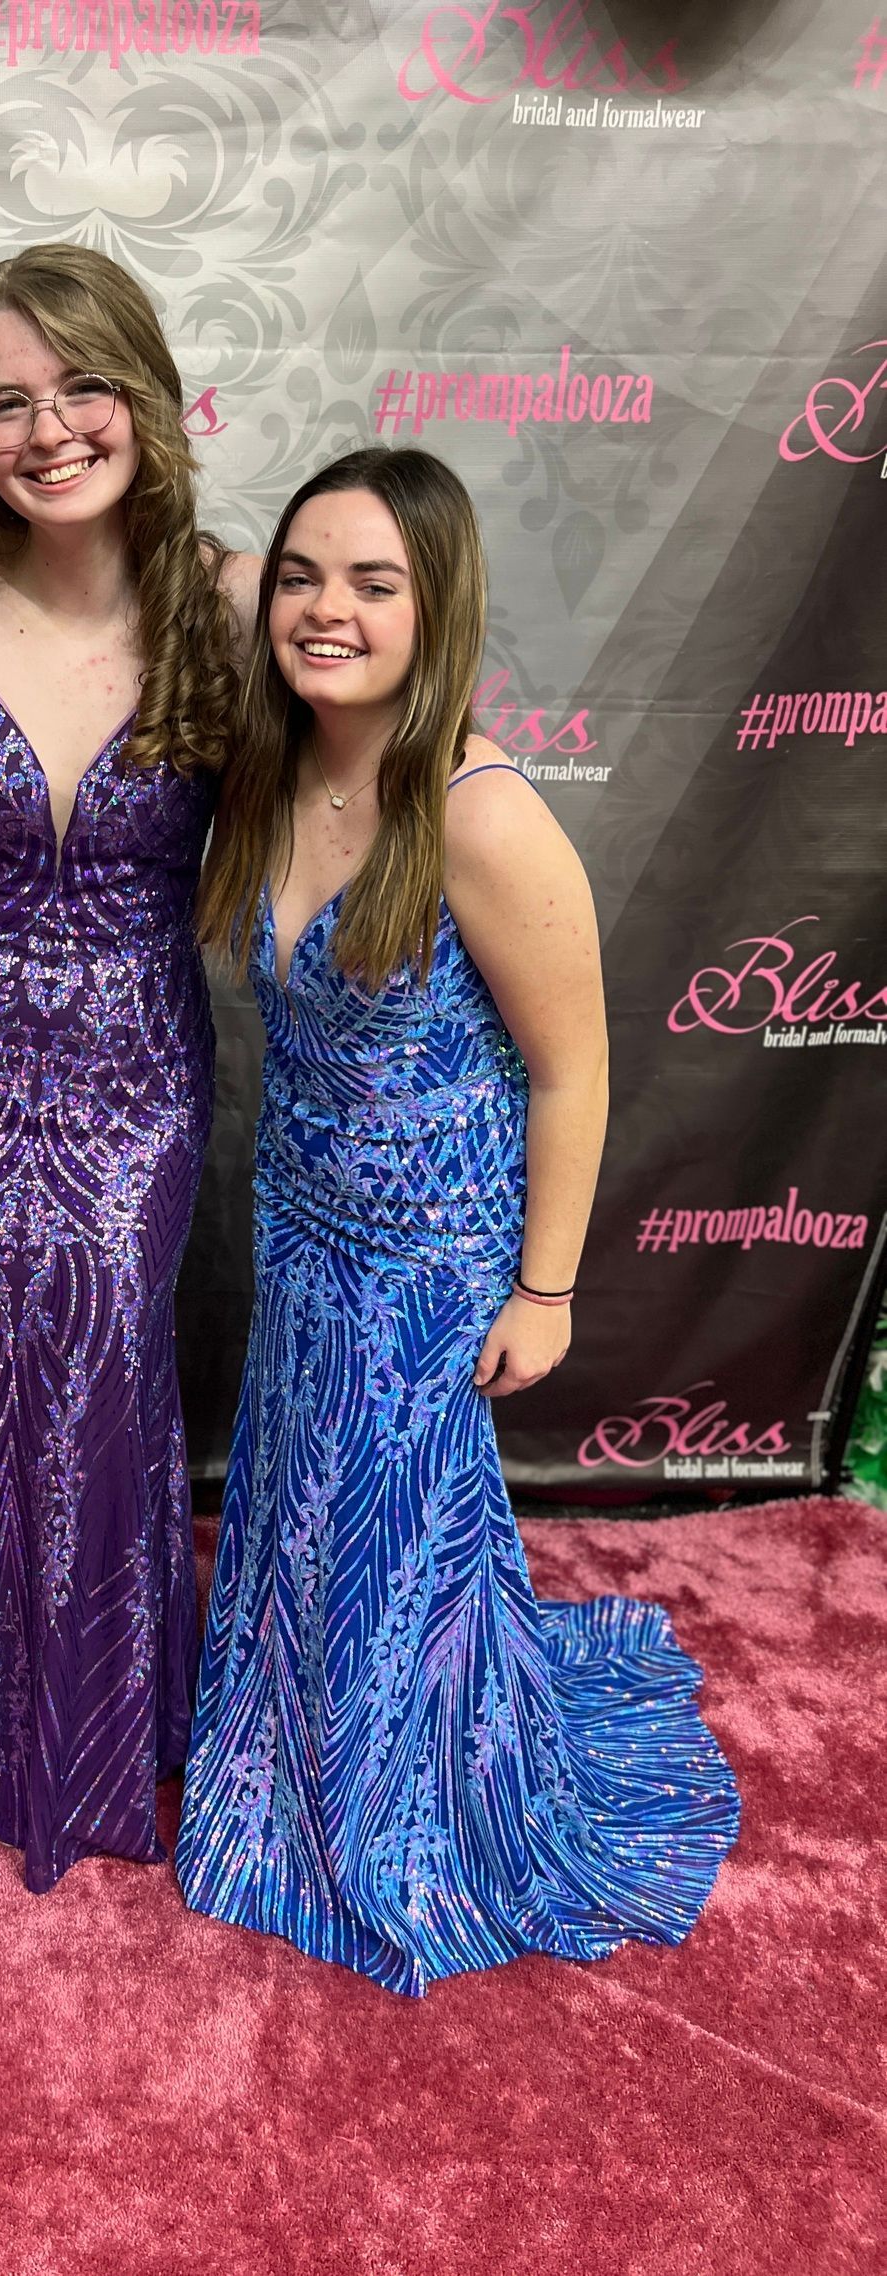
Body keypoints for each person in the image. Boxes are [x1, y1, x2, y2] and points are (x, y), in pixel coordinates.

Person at [175, 447, 739, 1991]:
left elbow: (573, 1069)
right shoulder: (280, 771)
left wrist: (543, 1294)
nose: (325, 609)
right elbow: (206, 568)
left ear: (442, 611)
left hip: (433, 1260)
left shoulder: (480, 816)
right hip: (301, 1223)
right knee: (304, 1519)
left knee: (399, 1549)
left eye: (375, 584)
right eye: (304, 577)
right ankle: (287, 1762)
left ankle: (413, 1810)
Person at [0, 243, 255, 1893]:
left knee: (100, 1349)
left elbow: (368, 778)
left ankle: (97, 1730)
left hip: (139, 1060)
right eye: (7, 400)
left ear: (146, 399)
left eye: (81, 386)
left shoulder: (229, 596)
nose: (49, 429)